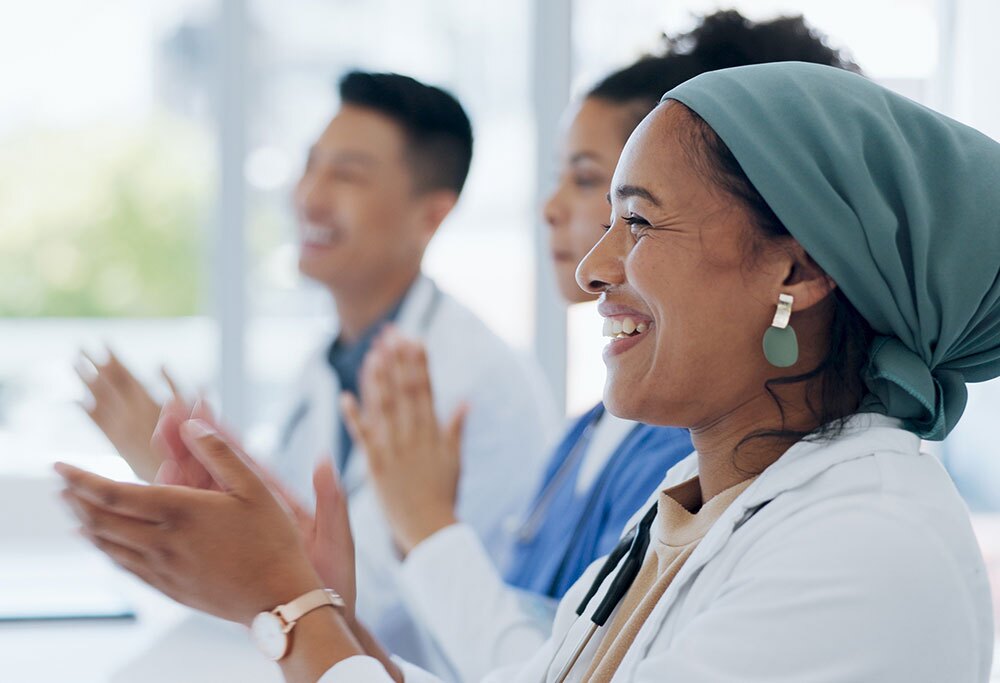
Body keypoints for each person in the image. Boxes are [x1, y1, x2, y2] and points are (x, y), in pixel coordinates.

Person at [59, 61, 999, 682]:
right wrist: (324, 606)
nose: (593, 266)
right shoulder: (692, 497)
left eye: (636, 218)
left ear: (795, 268)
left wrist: (289, 604)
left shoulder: (864, 548)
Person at [337, 12, 860, 682]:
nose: (557, 214)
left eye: (628, 206)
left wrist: (420, 529)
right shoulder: (602, 429)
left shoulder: (705, 456)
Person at [75, 71, 559, 669]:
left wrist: (227, 523)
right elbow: (306, 553)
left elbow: (369, 602)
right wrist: (200, 485)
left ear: (431, 215)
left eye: (347, 175)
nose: (310, 195)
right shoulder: (328, 361)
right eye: (311, 165)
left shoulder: (473, 380)